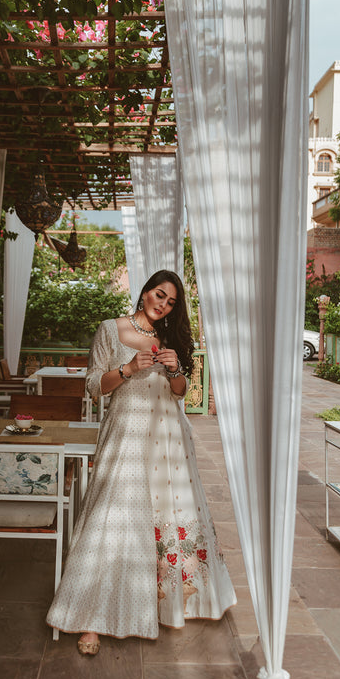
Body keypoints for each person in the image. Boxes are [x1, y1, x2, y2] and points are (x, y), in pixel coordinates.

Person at [46, 270, 236, 654]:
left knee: (165, 515)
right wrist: (129, 368)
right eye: (159, 294)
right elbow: (93, 387)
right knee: (109, 516)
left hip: (166, 436)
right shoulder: (110, 329)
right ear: (145, 291)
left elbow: (180, 393)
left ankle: (169, 603)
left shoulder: (170, 339)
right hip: (125, 432)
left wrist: (174, 369)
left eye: (170, 302)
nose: (162, 304)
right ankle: (91, 617)